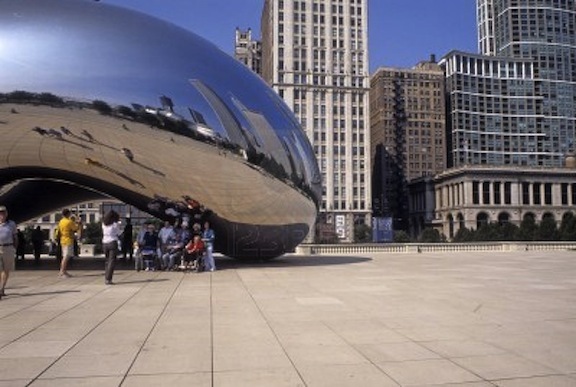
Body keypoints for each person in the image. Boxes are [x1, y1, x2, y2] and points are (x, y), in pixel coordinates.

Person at [57, 208, 81, 278]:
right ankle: (62, 271)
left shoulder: (61, 221)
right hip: (68, 240)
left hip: (63, 240)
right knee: (66, 257)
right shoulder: (69, 222)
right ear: (68, 214)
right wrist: (79, 223)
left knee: (65, 256)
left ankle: (64, 271)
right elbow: (75, 228)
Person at [0, 206, 17, 300]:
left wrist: (15, 248)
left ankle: (2, 288)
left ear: (6, 214)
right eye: (0, 213)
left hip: (8, 247)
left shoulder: (11, 224)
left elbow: (15, 237)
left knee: (6, 270)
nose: (1, 215)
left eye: (3, 213)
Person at [101, 210, 121, 285]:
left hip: (104, 242)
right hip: (112, 242)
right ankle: (108, 279)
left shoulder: (103, 224)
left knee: (107, 261)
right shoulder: (115, 224)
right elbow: (118, 233)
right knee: (111, 261)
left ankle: (106, 277)